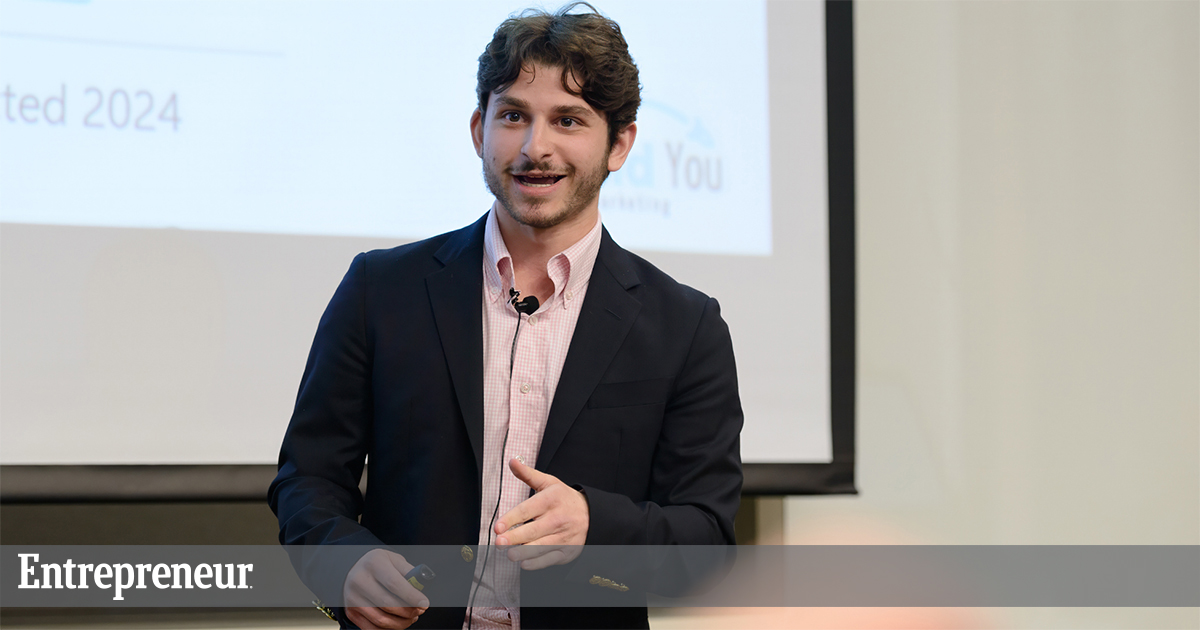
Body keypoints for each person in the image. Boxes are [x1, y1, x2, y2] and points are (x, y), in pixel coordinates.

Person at [268, 3, 743, 628]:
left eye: (568, 120)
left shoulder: (685, 327)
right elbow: (307, 480)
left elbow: (705, 540)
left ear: (619, 143)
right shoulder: (380, 289)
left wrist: (595, 526)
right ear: (478, 131)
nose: (535, 147)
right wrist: (343, 564)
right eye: (514, 116)